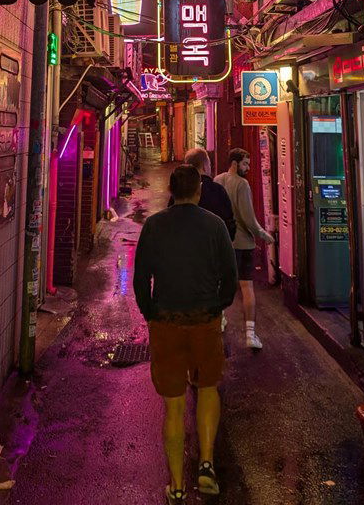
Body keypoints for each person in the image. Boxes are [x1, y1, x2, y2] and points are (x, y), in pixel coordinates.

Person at [134, 164, 238, 503]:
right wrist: (216, 308)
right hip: (205, 320)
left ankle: (177, 484)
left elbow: (140, 279)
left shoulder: (154, 226)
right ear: (197, 191)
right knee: (208, 388)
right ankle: (206, 464)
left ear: (171, 192)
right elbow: (230, 278)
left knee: (174, 406)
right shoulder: (215, 226)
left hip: (166, 322)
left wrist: (151, 313)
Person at [215, 147, 275, 350]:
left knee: (221, 284)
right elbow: (248, 218)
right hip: (242, 243)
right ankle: (250, 334)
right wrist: (263, 235)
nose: (248, 168)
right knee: (247, 288)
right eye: (245, 164)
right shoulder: (242, 184)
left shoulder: (217, 180)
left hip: (223, 243)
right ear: (235, 163)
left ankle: (220, 318)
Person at [167, 147, 236, 241]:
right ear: (205, 166)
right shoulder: (217, 190)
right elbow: (229, 223)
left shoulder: (179, 189)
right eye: (209, 164)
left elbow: (170, 218)